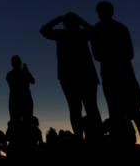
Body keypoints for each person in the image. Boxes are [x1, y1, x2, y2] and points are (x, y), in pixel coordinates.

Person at [91, 1, 140, 147]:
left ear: (110, 12)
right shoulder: (99, 30)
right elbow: (98, 55)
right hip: (113, 79)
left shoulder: (119, 28)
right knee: (118, 117)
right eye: (99, 11)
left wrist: (110, 53)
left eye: (102, 11)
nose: (101, 14)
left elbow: (129, 53)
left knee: (136, 115)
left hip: (125, 78)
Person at [40, 12, 101, 140]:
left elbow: (96, 32)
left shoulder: (74, 34)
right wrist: (76, 20)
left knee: (83, 108)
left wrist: (59, 19)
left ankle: (93, 136)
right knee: (81, 108)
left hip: (78, 77)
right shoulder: (67, 34)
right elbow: (43, 31)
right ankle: (86, 136)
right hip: (74, 77)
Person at [6, 55, 35, 124]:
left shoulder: (24, 72)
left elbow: (33, 81)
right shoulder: (10, 74)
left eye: (18, 62)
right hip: (16, 101)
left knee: (27, 122)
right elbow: (15, 85)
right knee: (16, 122)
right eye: (15, 62)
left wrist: (27, 71)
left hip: (25, 100)